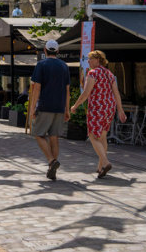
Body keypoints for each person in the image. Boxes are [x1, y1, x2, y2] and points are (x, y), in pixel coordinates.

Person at [70, 50, 126, 178]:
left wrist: (75, 105)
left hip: (97, 107)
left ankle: (105, 163)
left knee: (93, 136)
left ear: (98, 60)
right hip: (109, 107)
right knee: (102, 137)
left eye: (90, 59)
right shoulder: (109, 74)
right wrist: (120, 110)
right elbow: (116, 93)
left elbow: (86, 93)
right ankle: (100, 167)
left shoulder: (92, 73)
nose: (88, 61)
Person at [28, 40, 70, 181]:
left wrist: (33, 107)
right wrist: (67, 109)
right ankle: (52, 169)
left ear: (45, 50)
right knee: (54, 137)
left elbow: (37, 88)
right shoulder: (64, 66)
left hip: (45, 105)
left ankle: (52, 161)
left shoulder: (41, 65)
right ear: (57, 51)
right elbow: (67, 89)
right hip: (59, 106)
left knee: (38, 134)